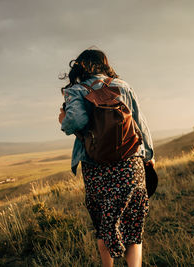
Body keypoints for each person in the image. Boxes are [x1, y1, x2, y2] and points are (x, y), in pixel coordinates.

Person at [58, 49, 154, 267]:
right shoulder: (123, 86)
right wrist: (148, 156)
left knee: (103, 226)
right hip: (131, 164)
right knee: (133, 229)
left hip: (97, 167)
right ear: (104, 64)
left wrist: (63, 119)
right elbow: (140, 123)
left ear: (80, 66)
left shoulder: (77, 90)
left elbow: (76, 122)